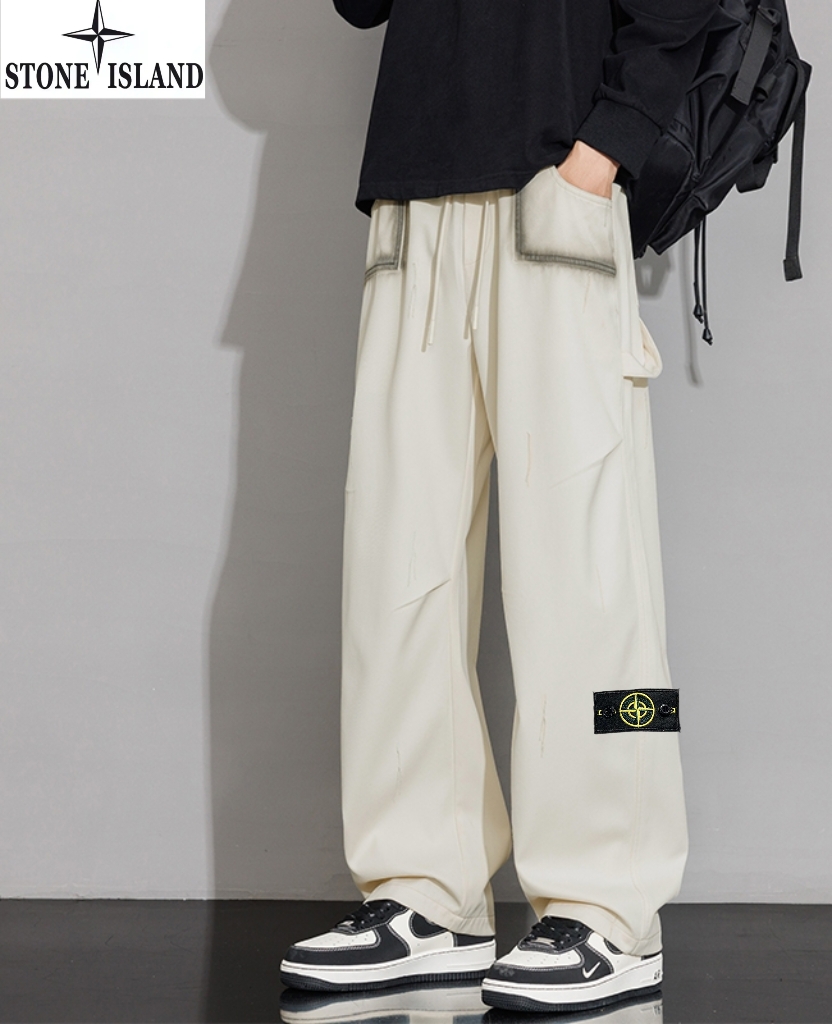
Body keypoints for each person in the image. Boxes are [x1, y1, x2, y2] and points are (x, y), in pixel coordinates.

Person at [280, 0, 717, 1013]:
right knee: (396, 568)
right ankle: (422, 891)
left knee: (589, 579)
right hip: (413, 191)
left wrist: (602, 153)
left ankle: (610, 906)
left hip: (556, 180)